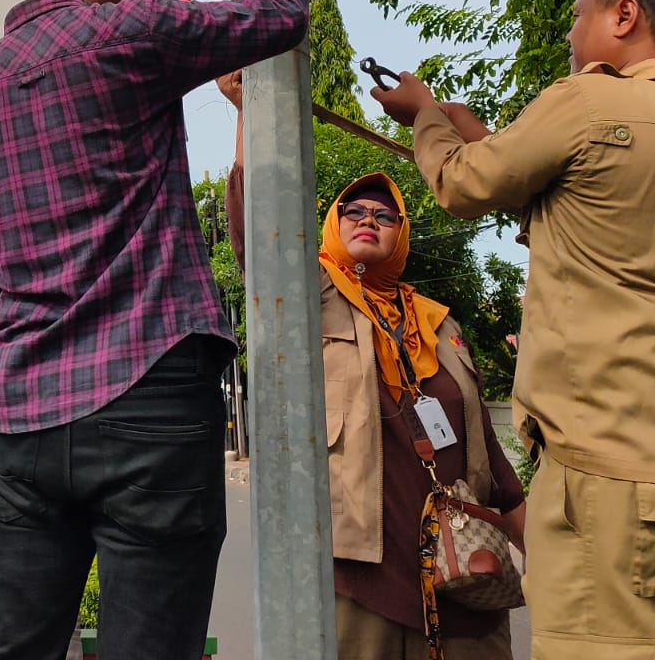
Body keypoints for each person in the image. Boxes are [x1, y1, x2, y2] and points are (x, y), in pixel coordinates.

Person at [0, 0, 321, 660]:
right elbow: (276, 16)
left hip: (24, 421)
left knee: (11, 649)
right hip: (151, 397)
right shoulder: (131, 31)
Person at [370, 0, 655, 659]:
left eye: (579, 13)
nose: (568, 32)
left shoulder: (588, 99)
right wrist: (483, 135)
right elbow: (592, 220)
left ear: (626, 15)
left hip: (613, 471)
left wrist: (426, 116)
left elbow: (461, 186)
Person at [217, 80, 526, 658]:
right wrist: (247, 111)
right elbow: (258, 236)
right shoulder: (309, 296)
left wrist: (555, 566)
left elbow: (490, 454)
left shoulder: (441, 325)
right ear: (333, 225)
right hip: (360, 584)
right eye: (352, 211)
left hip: (464, 574)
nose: (368, 219)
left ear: (401, 233)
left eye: (384, 214)